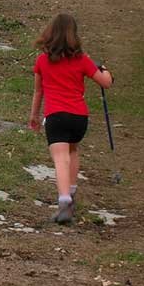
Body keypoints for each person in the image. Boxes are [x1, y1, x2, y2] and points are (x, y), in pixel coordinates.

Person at [29, 13, 114, 224]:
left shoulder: (42, 61)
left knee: (60, 158)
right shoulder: (82, 60)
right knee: (72, 150)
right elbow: (105, 83)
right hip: (78, 118)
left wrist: (34, 115)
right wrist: (104, 70)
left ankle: (64, 200)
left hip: (56, 116)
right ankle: (72, 192)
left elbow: (38, 91)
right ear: (73, 35)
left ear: (50, 33)